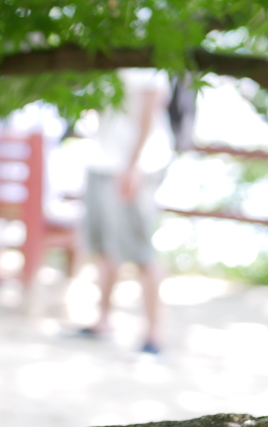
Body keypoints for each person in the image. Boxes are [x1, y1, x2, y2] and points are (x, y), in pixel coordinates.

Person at [81, 69, 175, 354]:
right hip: (101, 160)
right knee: (104, 246)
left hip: (134, 165)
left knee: (141, 250)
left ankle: (153, 334)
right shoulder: (100, 43)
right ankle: (103, 320)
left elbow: (152, 103)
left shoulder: (148, 50)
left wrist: (133, 163)